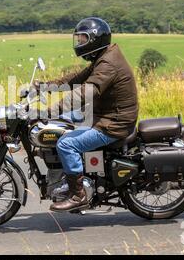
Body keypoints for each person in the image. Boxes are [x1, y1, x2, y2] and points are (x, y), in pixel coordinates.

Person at [37, 17, 139, 212]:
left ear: (95, 39)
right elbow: (75, 79)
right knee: (63, 121)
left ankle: (78, 194)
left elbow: (84, 92)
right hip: (103, 114)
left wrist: (49, 111)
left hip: (113, 123)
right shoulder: (104, 56)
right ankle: (61, 174)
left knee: (66, 143)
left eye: (82, 39)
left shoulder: (108, 64)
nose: (80, 44)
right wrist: (42, 87)